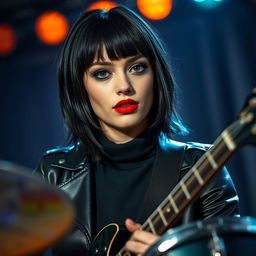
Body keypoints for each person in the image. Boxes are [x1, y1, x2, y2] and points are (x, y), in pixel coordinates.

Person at [35, 6, 239, 256]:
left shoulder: (203, 168)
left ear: (156, 75)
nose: (124, 86)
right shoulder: (54, 175)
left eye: (137, 68)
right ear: (80, 88)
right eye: (102, 74)